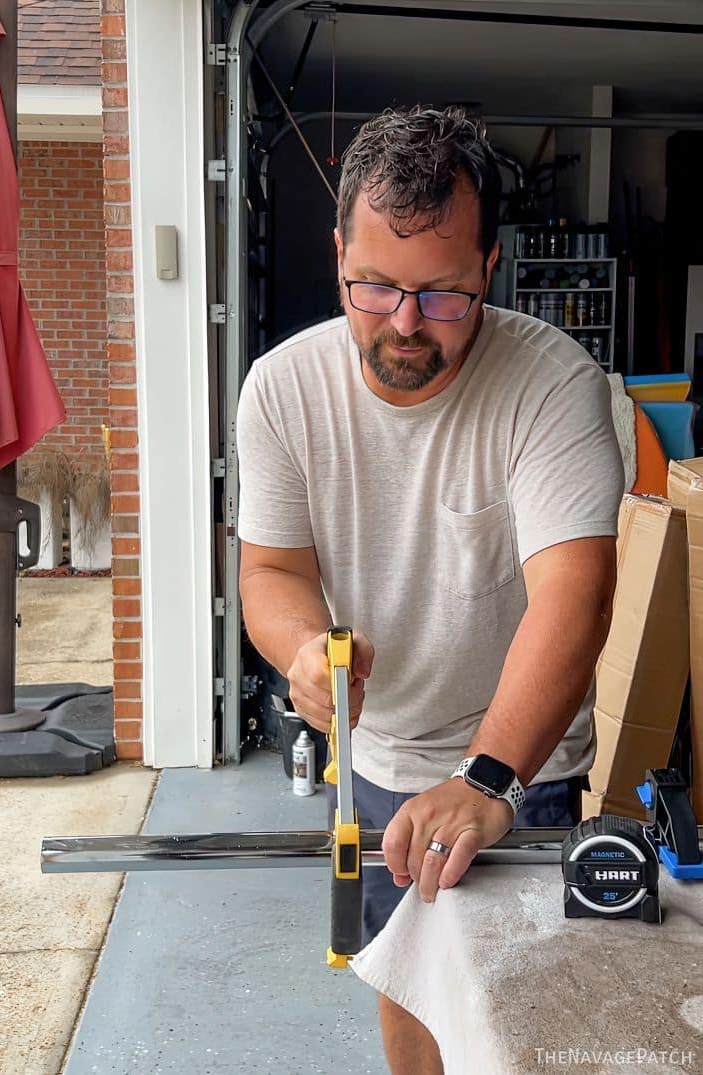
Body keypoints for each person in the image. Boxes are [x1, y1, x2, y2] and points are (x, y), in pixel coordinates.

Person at [236, 106, 624, 1075]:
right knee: (401, 982)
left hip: (523, 768)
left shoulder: (549, 382)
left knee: (520, 1018)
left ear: (486, 267)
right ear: (336, 257)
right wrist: (297, 651)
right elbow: (271, 570)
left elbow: (572, 592)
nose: (404, 323)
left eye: (442, 294)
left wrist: (488, 777)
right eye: (373, 287)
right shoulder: (281, 389)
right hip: (379, 757)